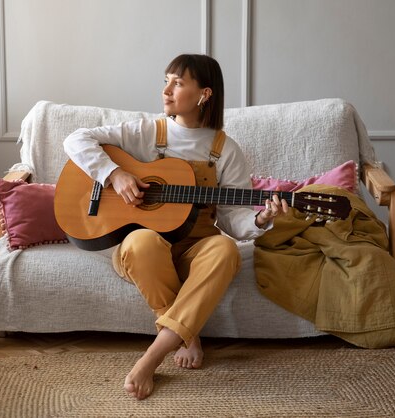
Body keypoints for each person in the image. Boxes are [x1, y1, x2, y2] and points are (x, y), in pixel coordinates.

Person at [63, 54, 288, 400]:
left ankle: (151, 356)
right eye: (166, 81)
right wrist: (115, 174)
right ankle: (188, 334)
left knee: (225, 249)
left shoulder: (225, 151)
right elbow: (76, 139)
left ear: (204, 94)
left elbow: (231, 219)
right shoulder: (149, 132)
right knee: (143, 241)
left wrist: (261, 219)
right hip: (144, 247)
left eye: (178, 83)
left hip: (196, 246)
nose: (166, 90)